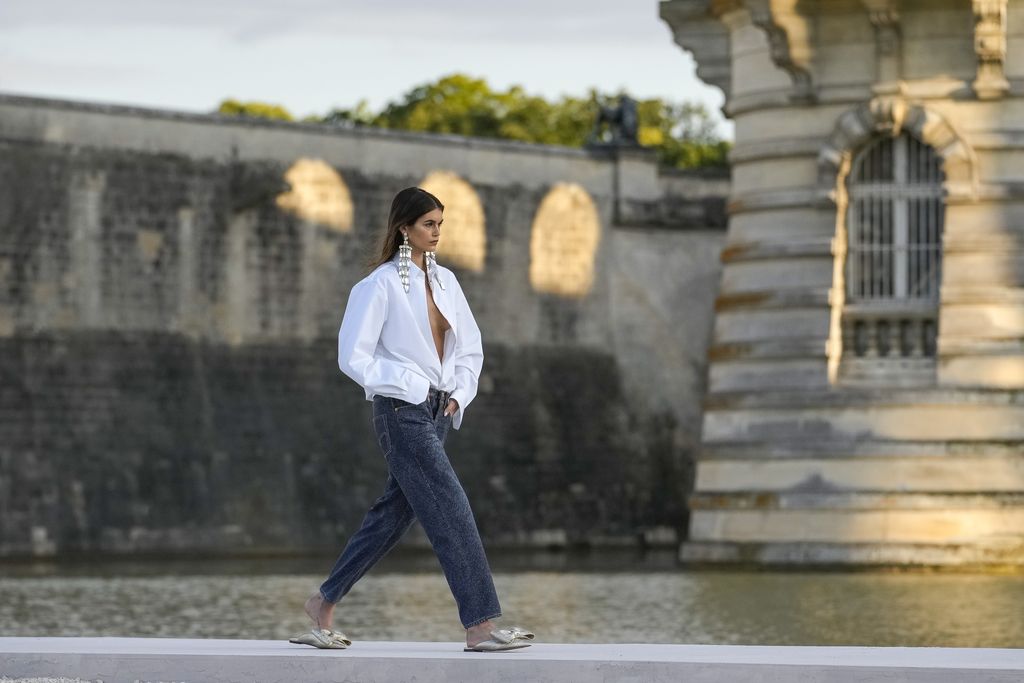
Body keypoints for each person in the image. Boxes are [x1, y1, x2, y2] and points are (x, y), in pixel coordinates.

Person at [289, 187, 534, 652]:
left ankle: (323, 602)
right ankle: (480, 627)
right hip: (402, 411)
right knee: (452, 508)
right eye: (428, 224)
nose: (437, 232)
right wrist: (410, 383)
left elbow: (469, 346)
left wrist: (460, 391)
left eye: (440, 223)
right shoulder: (378, 286)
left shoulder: (448, 284)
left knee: (392, 516)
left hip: (439, 411)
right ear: (404, 227)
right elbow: (352, 356)